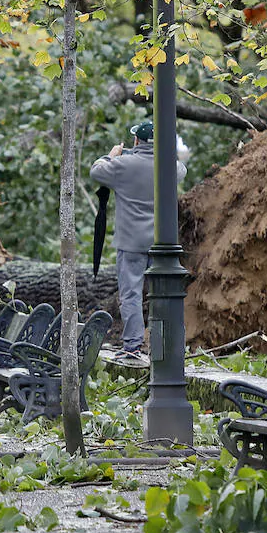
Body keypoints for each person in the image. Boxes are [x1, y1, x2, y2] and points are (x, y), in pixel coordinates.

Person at [90, 119, 185, 359]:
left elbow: (96, 171)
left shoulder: (121, 165)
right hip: (160, 243)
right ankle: (163, 348)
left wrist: (111, 156)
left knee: (130, 294)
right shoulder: (168, 166)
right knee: (162, 295)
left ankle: (132, 346)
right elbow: (181, 170)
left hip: (131, 242)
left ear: (136, 141)